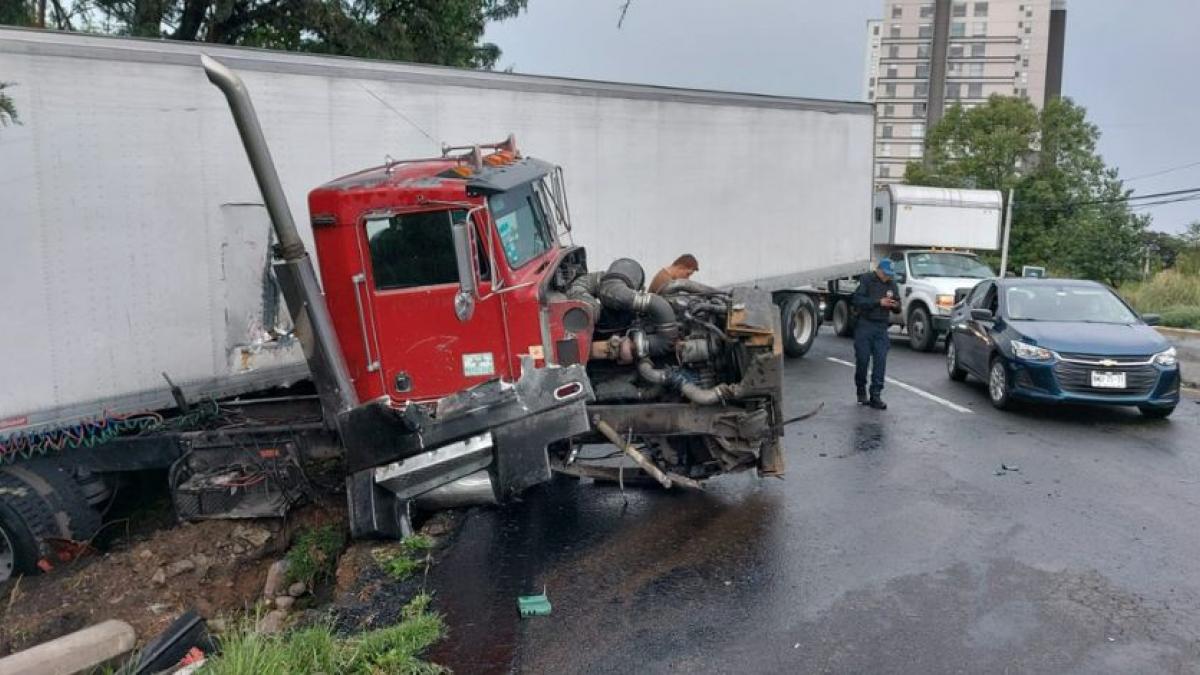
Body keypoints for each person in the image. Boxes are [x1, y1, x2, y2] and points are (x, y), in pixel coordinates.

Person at [853, 259, 901, 409]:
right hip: (865, 324)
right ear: (879, 270)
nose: (888, 277)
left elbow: (898, 307)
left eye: (890, 275)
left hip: (881, 326)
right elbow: (857, 300)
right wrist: (878, 302)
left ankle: (876, 395)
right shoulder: (867, 279)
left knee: (880, 361)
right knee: (862, 359)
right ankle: (861, 390)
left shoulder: (892, 284)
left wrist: (895, 305)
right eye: (886, 274)